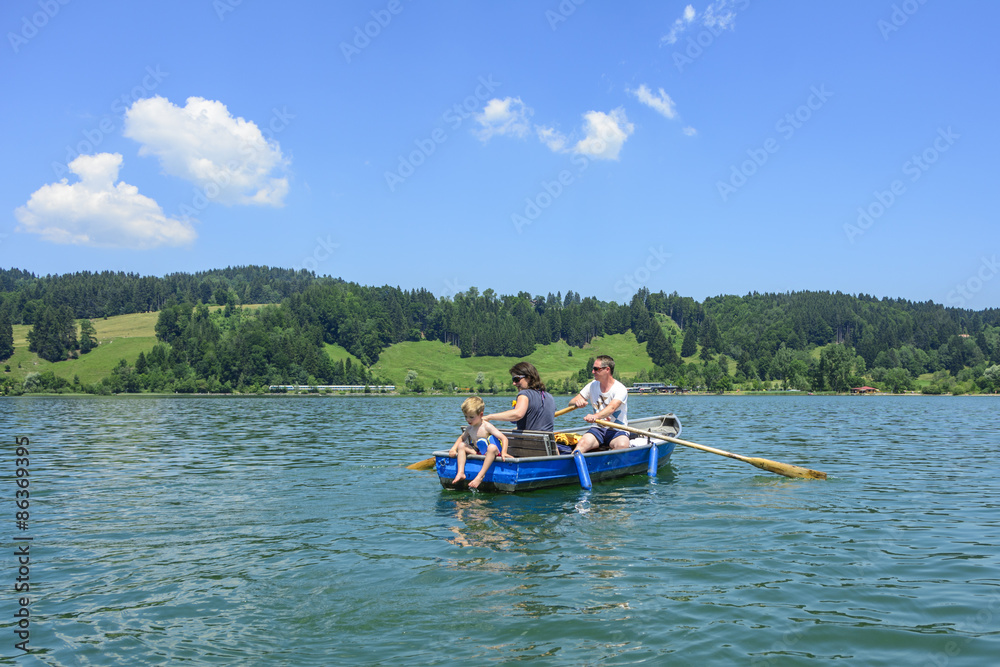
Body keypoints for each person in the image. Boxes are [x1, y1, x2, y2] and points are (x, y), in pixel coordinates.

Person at [569, 354, 630, 452]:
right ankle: (571, 464)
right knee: (582, 443)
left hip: (617, 430)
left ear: (607, 369)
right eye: (593, 369)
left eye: (596, 369)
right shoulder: (592, 385)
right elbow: (571, 403)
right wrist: (577, 403)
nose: (593, 372)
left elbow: (611, 408)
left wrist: (595, 416)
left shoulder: (620, 388)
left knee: (622, 445)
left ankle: (613, 466)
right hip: (598, 429)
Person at [449, 396, 509, 489]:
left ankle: (480, 476)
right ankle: (461, 473)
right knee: (461, 445)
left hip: (491, 453)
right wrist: (453, 448)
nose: (468, 420)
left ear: (481, 415)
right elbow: (461, 438)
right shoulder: (469, 428)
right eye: (466, 417)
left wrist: (504, 452)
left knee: (491, 447)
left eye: (471, 417)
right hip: (478, 452)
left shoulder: (486, 426)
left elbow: (504, 438)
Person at [484, 361, 556, 432]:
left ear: (529, 377)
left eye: (516, 379)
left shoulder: (524, 394)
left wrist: (489, 417)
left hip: (528, 442)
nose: (514, 383)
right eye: (513, 380)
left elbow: (518, 414)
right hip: (546, 442)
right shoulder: (549, 396)